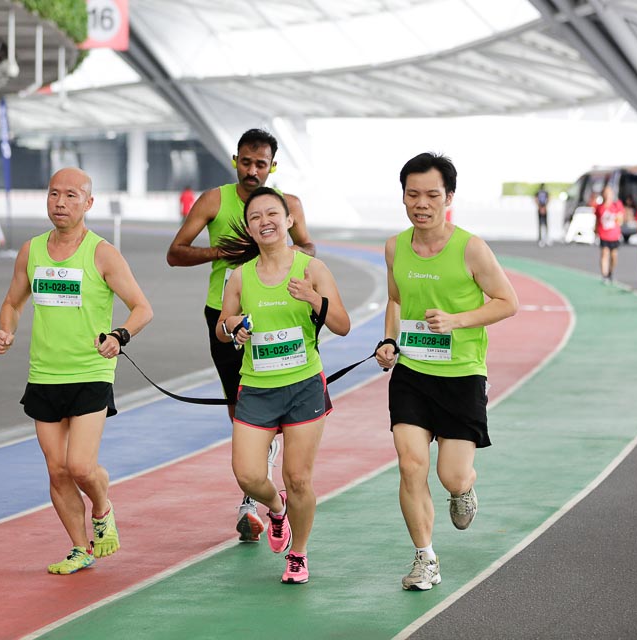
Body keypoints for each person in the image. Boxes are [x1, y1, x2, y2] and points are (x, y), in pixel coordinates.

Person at [0, 167, 153, 575]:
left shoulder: (101, 253)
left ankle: (102, 507)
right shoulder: (32, 250)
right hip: (44, 375)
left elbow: (142, 308)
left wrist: (120, 335)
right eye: (53, 195)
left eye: (70, 196)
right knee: (57, 469)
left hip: (90, 372)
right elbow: (12, 302)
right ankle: (80, 548)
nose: (60, 203)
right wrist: (6, 331)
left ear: (88, 203)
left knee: (81, 466)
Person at [374, 153, 518, 592]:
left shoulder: (471, 247)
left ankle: (463, 488)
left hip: (461, 375)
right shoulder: (395, 247)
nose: (421, 203)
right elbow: (396, 301)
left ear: (448, 198)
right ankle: (425, 558)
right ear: (403, 196)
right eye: (413, 194)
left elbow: (507, 302)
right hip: (413, 372)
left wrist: (456, 320)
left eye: (432, 195)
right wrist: (389, 341)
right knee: (410, 464)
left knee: (450, 475)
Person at [166, 129, 316, 543]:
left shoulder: (289, 206)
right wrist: (221, 253)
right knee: (242, 408)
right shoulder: (215, 201)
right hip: (226, 315)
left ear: (273, 166)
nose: (253, 171)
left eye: (261, 164)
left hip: (283, 314)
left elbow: (309, 248)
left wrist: (280, 255)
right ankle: (254, 495)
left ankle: (256, 500)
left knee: (279, 402)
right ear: (236, 161)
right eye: (246, 162)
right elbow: (175, 252)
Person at [215, 186, 350, 583]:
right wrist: (234, 328)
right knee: (248, 475)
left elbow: (342, 326)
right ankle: (277, 509)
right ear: (249, 228)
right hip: (256, 388)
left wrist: (314, 299)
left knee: (299, 477)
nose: (264, 222)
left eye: (272, 214)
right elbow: (223, 329)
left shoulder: (312, 268)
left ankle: (299, 553)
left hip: (304, 385)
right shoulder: (239, 277)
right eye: (255, 217)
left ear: (289, 220)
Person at [594, 185, 624, 284]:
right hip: (603, 235)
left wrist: (615, 218)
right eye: (605, 193)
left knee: (614, 256)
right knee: (604, 254)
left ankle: (610, 272)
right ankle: (604, 275)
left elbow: (620, 220)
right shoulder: (599, 207)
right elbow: (597, 220)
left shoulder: (617, 205)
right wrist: (595, 231)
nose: (607, 195)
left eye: (609, 193)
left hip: (614, 235)